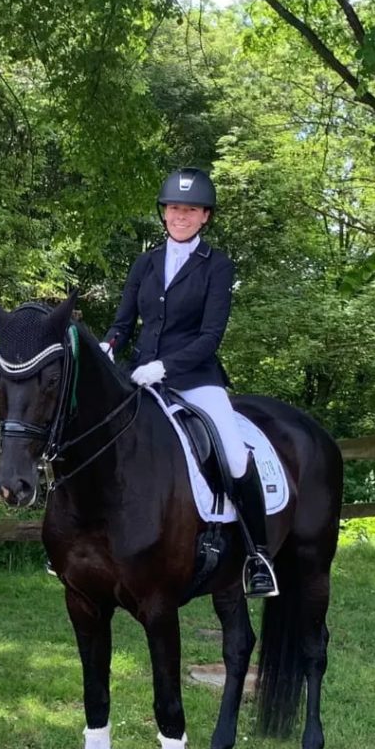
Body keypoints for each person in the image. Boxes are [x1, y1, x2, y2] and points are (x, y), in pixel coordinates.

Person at [100, 167, 278, 597]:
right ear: (164, 214)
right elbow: (123, 322)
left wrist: (166, 367)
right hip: (139, 376)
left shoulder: (216, 266)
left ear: (205, 217)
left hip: (195, 378)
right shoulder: (145, 262)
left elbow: (209, 337)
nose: (181, 216)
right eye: (174, 209)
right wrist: (109, 345)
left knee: (234, 456)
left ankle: (258, 557)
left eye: (191, 210)